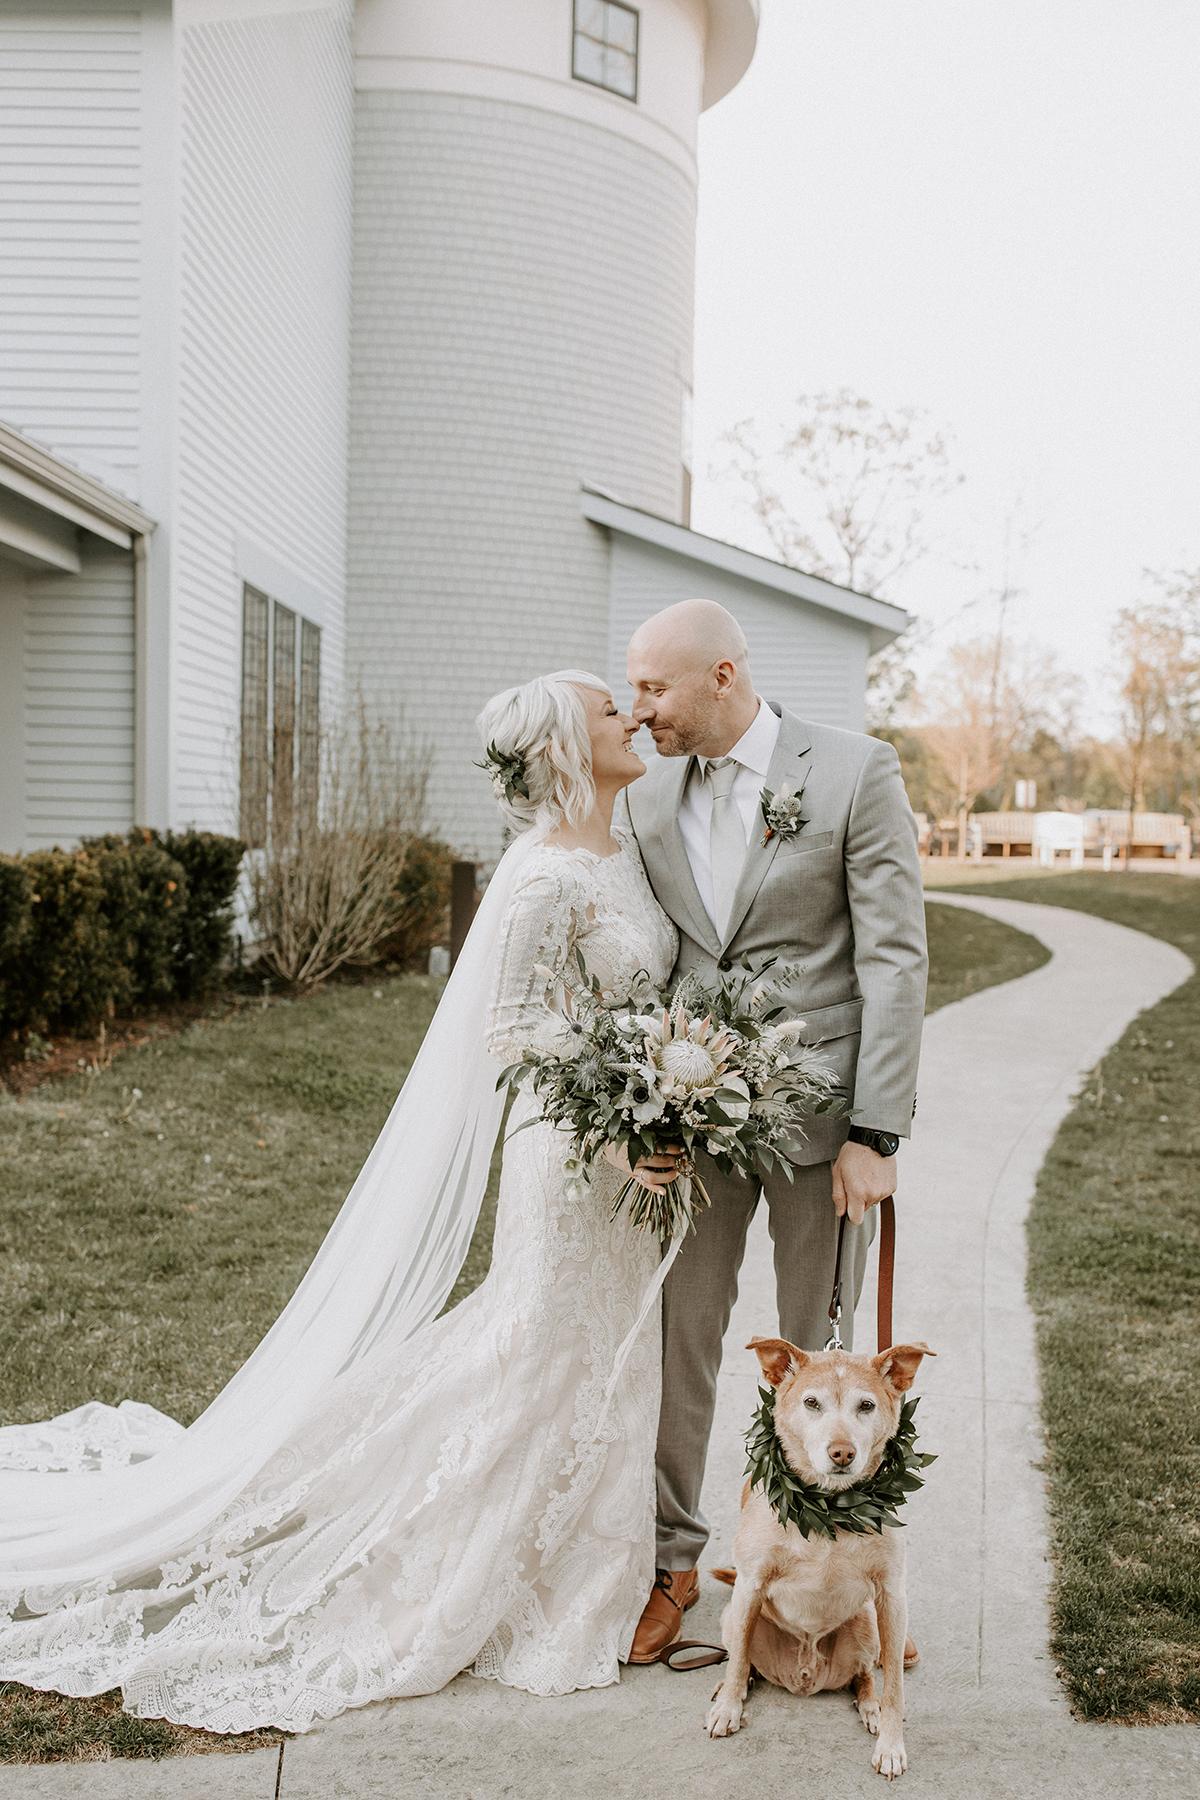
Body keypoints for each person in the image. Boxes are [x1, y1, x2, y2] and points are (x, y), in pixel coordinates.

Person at [0, 671, 682, 1734]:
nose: (632, 717)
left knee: (610, 1355)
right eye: (610, 711)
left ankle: (587, 1577)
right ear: (563, 748)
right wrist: (626, 1101)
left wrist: (672, 1086)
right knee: (539, 1347)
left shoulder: (623, 849)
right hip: (569, 1153)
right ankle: (435, 1553)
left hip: (630, 1159)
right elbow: (509, 1031)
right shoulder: (544, 876)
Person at [619, 599, 928, 1663]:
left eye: (654, 687)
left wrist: (877, 1133)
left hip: (824, 1129)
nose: (639, 707)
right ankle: (673, 1564)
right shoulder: (647, 800)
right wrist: (644, 1111)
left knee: (828, 1358)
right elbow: (654, 963)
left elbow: (894, 958)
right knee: (682, 1345)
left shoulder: (853, 771)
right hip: (698, 1124)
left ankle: (840, 1580)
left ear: (722, 675)